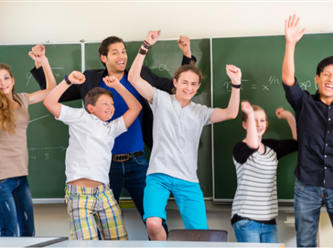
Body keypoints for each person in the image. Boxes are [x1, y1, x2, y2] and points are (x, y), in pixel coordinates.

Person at [30, 37, 195, 235]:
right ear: (103, 57)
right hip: (104, 168)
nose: (122, 56)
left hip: (138, 161)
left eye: (124, 51)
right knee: (104, 228)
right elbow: (56, 96)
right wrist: (41, 64)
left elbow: (177, 87)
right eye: (115, 52)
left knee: (155, 220)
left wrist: (187, 56)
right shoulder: (90, 79)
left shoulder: (140, 75)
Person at [128, 30, 242, 240]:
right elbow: (133, 78)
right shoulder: (160, 99)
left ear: (198, 87)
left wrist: (236, 83)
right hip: (158, 175)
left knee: (201, 235)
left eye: (193, 84)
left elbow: (231, 113)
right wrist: (145, 46)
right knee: (153, 224)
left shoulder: (200, 112)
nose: (188, 87)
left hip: (187, 179)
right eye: (184, 82)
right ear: (175, 82)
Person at [43, 70, 142, 240]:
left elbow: (136, 107)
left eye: (112, 104)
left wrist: (118, 86)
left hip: (104, 193)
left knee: (119, 243)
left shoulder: (111, 128)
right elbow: (49, 102)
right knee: (86, 245)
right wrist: (68, 81)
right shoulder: (79, 116)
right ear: (91, 108)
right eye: (105, 104)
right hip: (79, 194)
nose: (111, 107)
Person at [282, 14, 333, 247]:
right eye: (326, 74)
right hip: (307, 185)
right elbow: (288, 79)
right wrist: (290, 43)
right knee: (305, 244)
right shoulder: (304, 104)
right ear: (317, 78)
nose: (331, 79)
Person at [0, 46, 56, 236]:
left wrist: (44, 63)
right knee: (8, 233)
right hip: (1, 179)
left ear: (13, 80)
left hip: (21, 176)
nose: (2, 83)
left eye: (6, 77)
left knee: (28, 232)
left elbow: (51, 91)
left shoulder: (22, 99)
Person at [231, 101, 298, 243]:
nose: (258, 124)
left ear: (266, 124)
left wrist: (289, 117)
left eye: (262, 120)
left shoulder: (272, 147)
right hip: (246, 219)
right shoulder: (239, 148)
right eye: (253, 120)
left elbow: (300, 142)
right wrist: (248, 112)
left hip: (269, 221)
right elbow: (253, 145)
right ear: (244, 125)